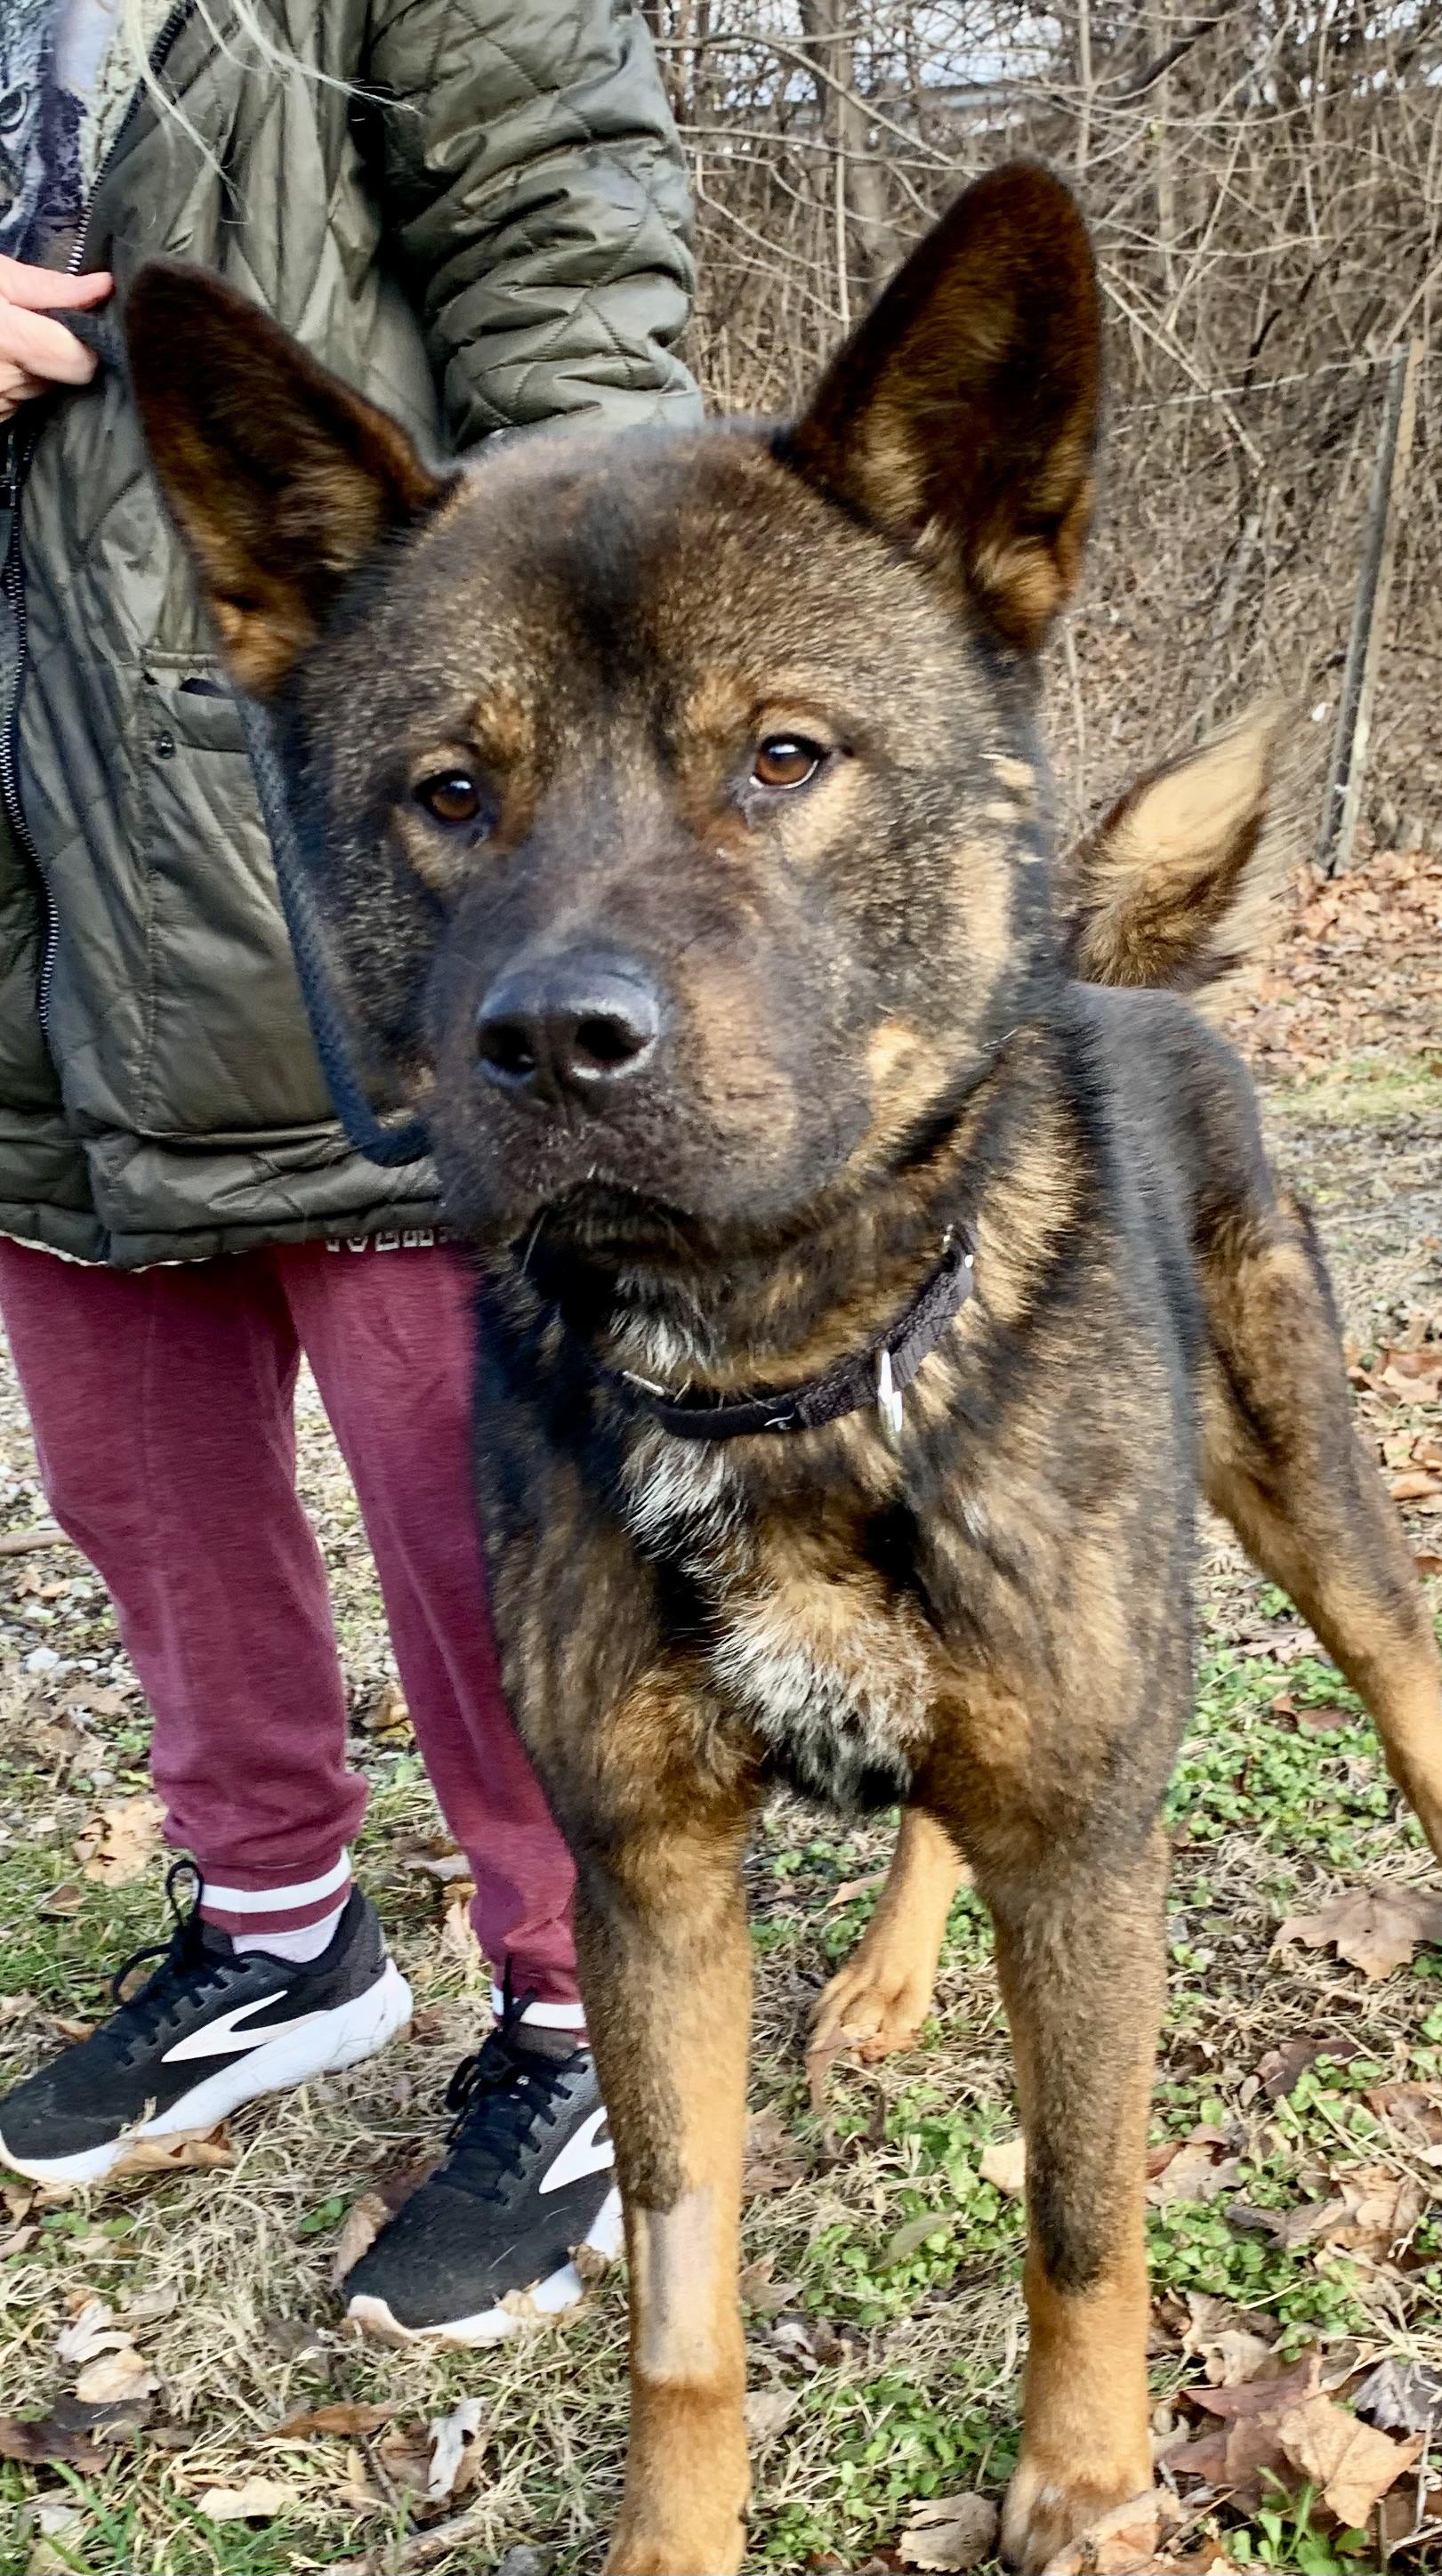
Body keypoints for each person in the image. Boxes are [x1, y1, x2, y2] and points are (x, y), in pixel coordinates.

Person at [0, 0, 698, 2346]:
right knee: (135, 1469)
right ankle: (279, 1935)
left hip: (344, 850)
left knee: (469, 1482)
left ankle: (588, 2005)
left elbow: (569, 280)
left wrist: (562, 805)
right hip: (23, 901)